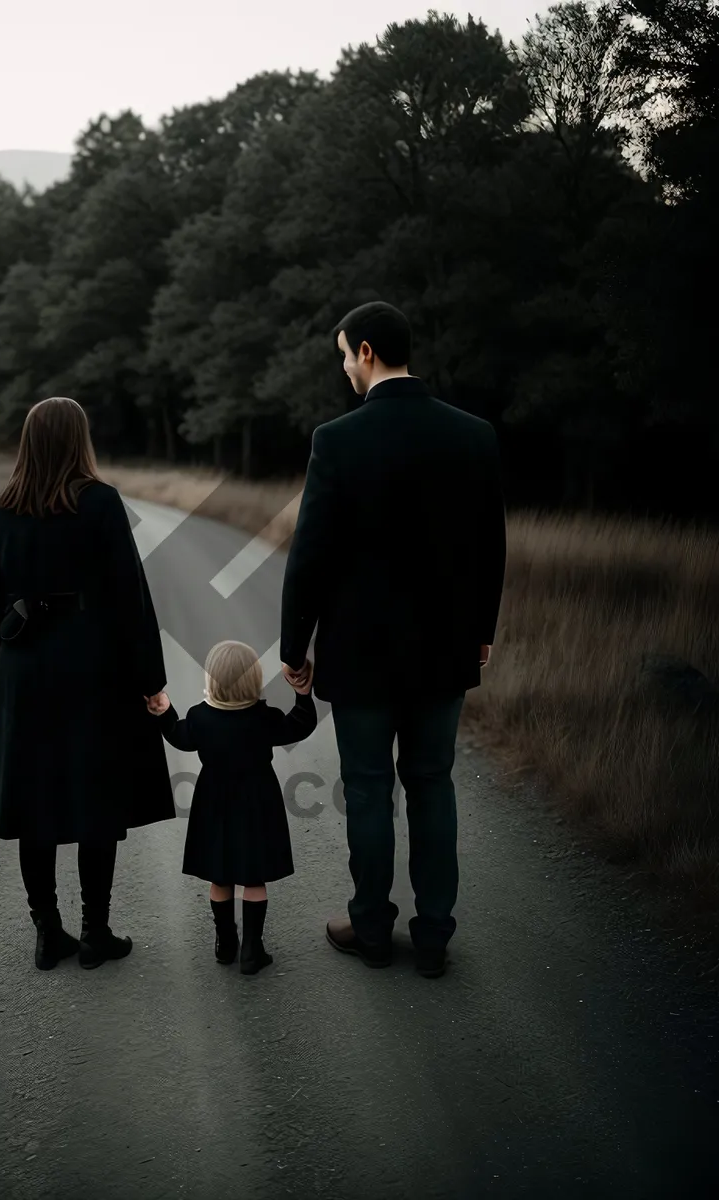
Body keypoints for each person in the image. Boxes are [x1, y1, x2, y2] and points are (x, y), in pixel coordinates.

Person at [279, 301, 507, 978]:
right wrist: (482, 632)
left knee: (370, 788)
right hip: (445, 648)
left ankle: (373, 927)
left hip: (362, 652)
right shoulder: (473, 435)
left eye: (346, 353)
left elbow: (310, 554)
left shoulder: (338, 440)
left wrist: (294, 647)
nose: (345, 366)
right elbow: (489, 546)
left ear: (369, 352)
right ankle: (434, 934)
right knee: (433, 784)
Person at [0, 396, 176, 971]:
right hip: (93, 666)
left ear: (28, 441)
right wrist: (151, 681)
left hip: (25, 668)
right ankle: (95, 933)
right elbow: (129, 598)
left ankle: (48, 932)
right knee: (95, 797)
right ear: (78, 440)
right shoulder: (101, 502)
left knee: (33, 800)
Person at [147, 641, 317, 975]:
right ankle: (253, 950)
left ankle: (225, 944)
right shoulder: (264, 718)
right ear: (254, 681)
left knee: (220, 876)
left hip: (213, 802)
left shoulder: (199, 718)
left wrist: (165, 710)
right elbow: (300, 724)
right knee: (253, 878)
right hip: (258, 801)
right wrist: (303, 695)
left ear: (211, 681)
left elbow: (178, 735)